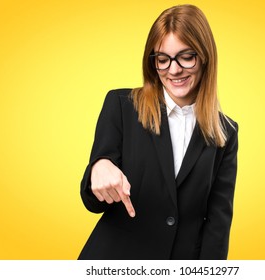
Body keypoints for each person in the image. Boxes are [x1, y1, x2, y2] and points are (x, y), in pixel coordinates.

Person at [78, 4, 238, 260]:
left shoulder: (225, 132)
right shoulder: (122, 106)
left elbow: (218, 224)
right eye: (163, 60)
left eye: (186, 56)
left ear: (205, 56)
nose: (174, 70)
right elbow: (92, 201)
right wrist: (99, 166)